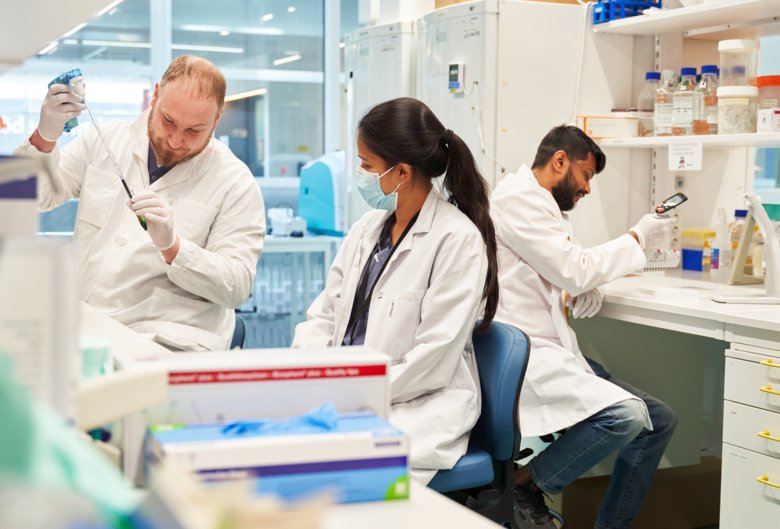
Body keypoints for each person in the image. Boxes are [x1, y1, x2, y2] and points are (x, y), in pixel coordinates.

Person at [293, 97, 499, 484]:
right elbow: (324, 314)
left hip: (416, 404)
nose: (359, 173)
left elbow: (432, 358)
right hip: (346, 394)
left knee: (330, 473)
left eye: (367, 165)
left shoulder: (456, 240)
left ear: (401, 172)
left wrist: (354, 393)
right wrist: (309, 374)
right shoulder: (366, 230)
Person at [490, 125, 678, 529]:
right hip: (527, 358)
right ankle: (526, 483)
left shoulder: (541, 205)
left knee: (657, 420)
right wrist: (637, 237)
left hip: (552, 349)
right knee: (628, 417)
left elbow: (555, 270)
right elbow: (573, 268)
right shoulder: (517, 199)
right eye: (586, 175)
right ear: (560, 161)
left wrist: (572, 292)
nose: (588, 189)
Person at [14, 55, 264, 351]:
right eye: (168, 121)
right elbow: (21, 201)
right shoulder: (103, 140)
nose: (175, 140)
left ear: (217, 118)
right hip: (88, 334)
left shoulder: (235, 182)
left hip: (171, 346)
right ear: (155, 95)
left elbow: (235, 287)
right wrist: (45, 137)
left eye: (194, 130)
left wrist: (174, 248)